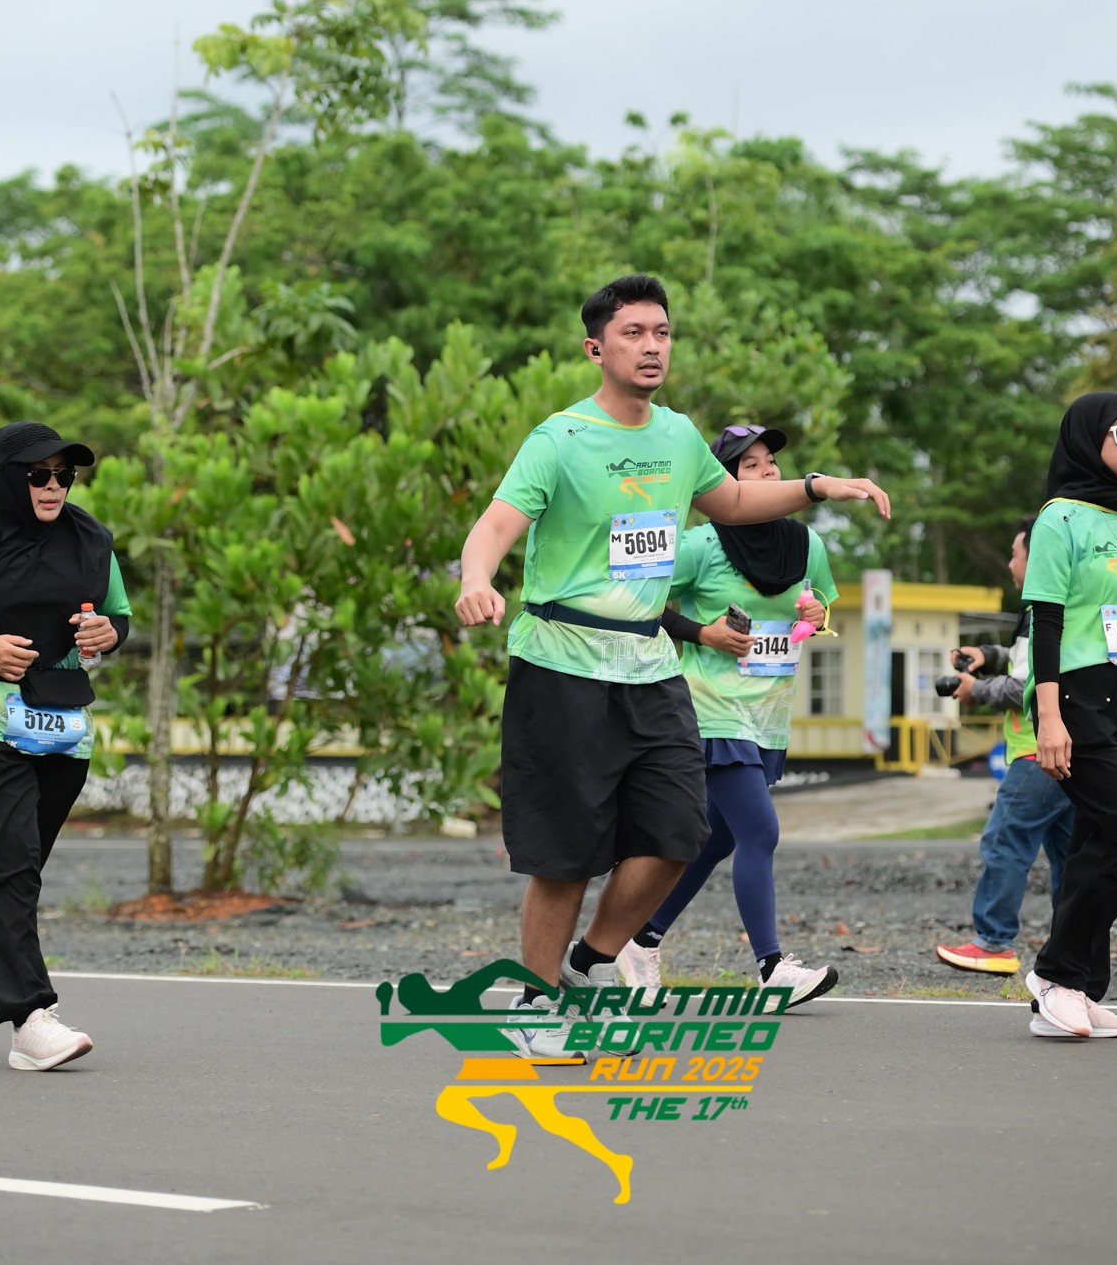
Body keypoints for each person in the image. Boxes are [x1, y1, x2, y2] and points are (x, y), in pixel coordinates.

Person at [453, 275, 890, 1058]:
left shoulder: (679, 436)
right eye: (633, 333)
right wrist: (476, 579)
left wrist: (817, 487)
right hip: (563, 664)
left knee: (679, 831)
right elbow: (494, 525)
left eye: (661, 332)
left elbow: (734, 504)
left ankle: (589, 965)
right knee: (565, 855)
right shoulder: (560, 438)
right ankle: (534, 1003)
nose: (652, 346)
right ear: (596, 348)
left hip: (650, 669)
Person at [616, 424, 840, 1001]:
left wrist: (816, 617)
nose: (766, 471)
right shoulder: (701, 545)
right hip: (710, 709)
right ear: (724, 481)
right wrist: (704, 633)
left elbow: (820, 605)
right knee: (760, 831)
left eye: (771, 462)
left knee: (716, 839)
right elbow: (636, 601)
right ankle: (772, 968)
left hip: (769, 714)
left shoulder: (805, 545)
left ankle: (639, 938)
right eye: (750, 465)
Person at [0, 422, 131, 1071]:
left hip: (61, 727)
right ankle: (30, 1020)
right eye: (37, 475)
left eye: (63, 475)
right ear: (5, 479)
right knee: (8, 866)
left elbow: (116, 615)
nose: (53, 487)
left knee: (9, 869)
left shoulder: (89, 540)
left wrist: (108, 635)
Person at [1021, 391, 1117, 1040]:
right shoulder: (1059, 518)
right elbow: (1046, 621)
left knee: (1092, 840)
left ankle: (1078, 991)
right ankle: (1053, 973)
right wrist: (1048, 717)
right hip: (1076, 695)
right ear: (1090, 439)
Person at [935, 517, 1074, 976]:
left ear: (1036, 559)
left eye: (1016, 554)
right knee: (1069, 857)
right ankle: (1075, 951)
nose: (1011, 563)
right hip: (1070, 750)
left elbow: (1023, 687)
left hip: (1038, 751)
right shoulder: (1053, 606)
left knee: (1005, 838)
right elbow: (1024, 660)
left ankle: (993, 941)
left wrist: (974, 689)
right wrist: (988, 655)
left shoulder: (1041, 610)